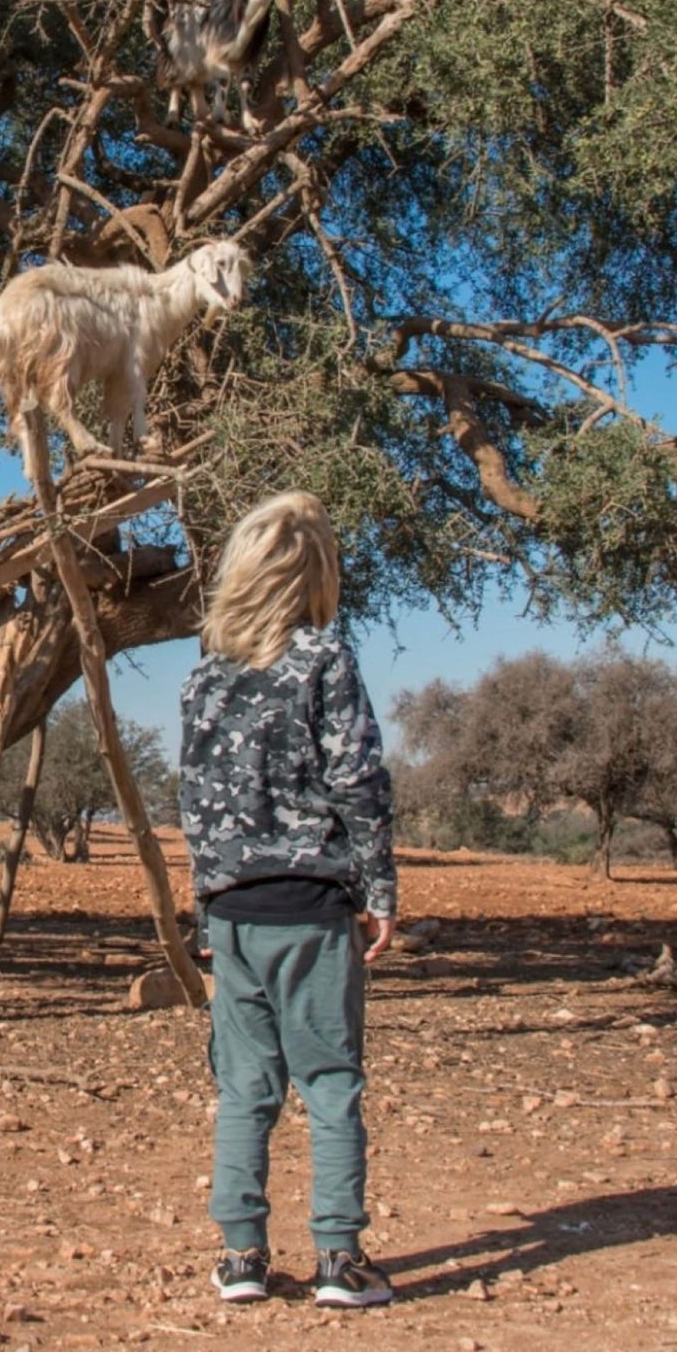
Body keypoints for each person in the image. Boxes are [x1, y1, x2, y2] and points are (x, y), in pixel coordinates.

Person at [176, 489, 396, 1309]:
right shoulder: (327, 662)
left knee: (245, 1088)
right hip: (314, 911)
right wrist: (380, 888)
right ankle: (339, 1259)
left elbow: (195, 801)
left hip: (231, 915)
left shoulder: (203, 679)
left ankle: (242, 1259)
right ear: (315, 575)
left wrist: (204, 909)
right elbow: (358, 783)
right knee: (331, 1081)